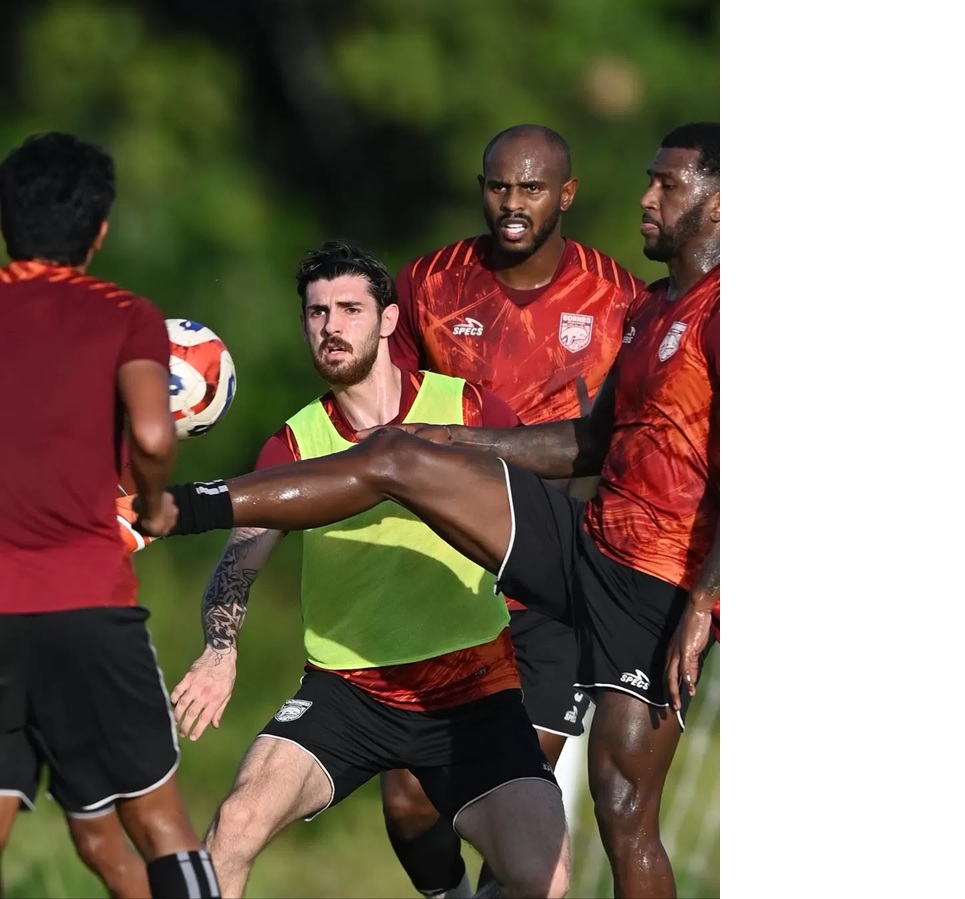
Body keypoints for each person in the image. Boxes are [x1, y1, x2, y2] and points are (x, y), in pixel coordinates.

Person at [152, 120, 720, 899]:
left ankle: (170, 506)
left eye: (666, 183)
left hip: (606, 594)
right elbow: (589, 441)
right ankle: (173, 508)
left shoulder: (671, 304)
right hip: (492, 600)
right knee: (284, 817)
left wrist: (709, 593)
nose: (646, 196)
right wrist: (221, 646)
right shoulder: (652, 306)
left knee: (598, 826)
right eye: (318, 313)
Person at [167, 240, 571, 899]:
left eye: (349, 308)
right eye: (316, 312)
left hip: (471, 690)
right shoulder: (294, 443)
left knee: (544, 877)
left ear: (387, 321)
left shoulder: (471, 411)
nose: (331, 326)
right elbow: (240, 557)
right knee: (234, 825)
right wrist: (219, 646)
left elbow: (541, 521)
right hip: (345, 690)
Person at [385, 123, 646, 898]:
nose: (511, 203)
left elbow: (622, 438)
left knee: (513, 795)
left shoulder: (619, 298)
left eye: (530, 188)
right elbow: (390, 422)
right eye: (498, 185)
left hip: (554, 579)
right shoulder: (428, 283)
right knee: (407, 798)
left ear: (564, 195)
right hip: (443, 575)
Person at [0, 132, 221, 899]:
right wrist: (155, 501)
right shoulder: (125, 313)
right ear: (98, 231)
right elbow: (154, 433)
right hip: (85, 602)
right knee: (160, 824)